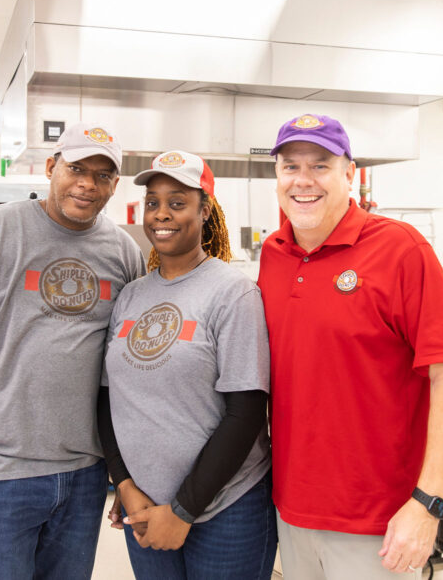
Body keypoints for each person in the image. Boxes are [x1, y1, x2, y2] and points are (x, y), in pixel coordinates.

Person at [0, 123, 146, 579]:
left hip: (86, 472)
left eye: (102, 175)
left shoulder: (123, 252)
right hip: (1, 470)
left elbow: (127, 374)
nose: (87, 183)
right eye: (76, 168)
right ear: (50, 168)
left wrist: (127, 474)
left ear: (114, 186)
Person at [258, 114, 443, 579]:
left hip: (380, 523)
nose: (303, 180)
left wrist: (428, 503)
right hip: (291, 510)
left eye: (320, 165)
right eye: (290, 166)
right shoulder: (274, 253)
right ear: (276, 175)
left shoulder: (401, 250)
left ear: (349, 174)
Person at [98, 150, 277, 580]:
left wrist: (182, 511)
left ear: (205, 210)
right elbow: (108, 399)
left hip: (225, 509)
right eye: (153, 202)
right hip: (144, 506)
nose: (162, 214)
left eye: (177, 202)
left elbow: (245, 413)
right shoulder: (131, 295)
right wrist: (124, 483)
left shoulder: (232, 293)